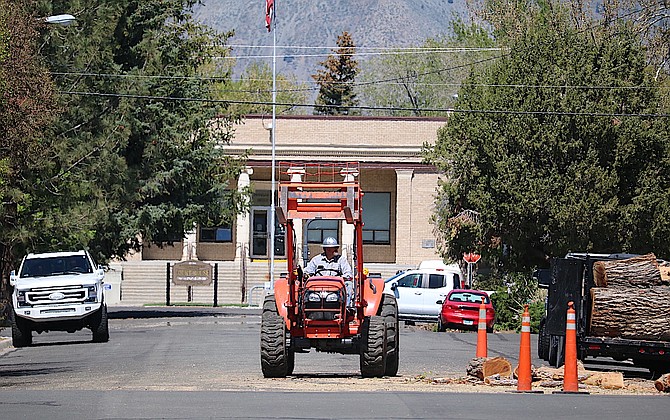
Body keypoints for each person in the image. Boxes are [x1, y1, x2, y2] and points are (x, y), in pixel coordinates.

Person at [304, 237, 354, 306]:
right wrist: (307, 275)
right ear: (326, 249)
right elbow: (307, 272)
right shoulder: (316, 260)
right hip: (318, 286)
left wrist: (340, 278)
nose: (336, 250)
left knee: (348, 283)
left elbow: (348, 273)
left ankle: (347, 307)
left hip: (336, 286)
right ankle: (305, 307)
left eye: (336, 247)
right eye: (334, 248)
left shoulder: (342, 260)